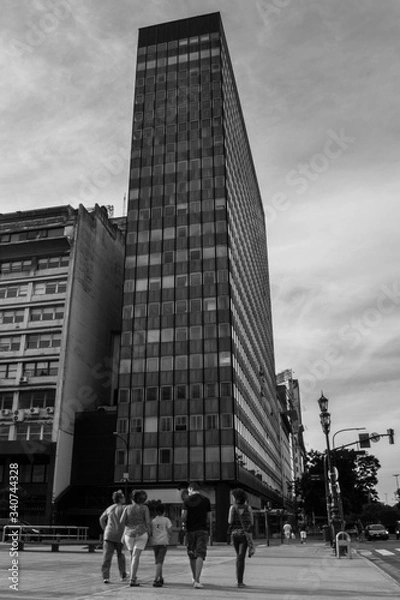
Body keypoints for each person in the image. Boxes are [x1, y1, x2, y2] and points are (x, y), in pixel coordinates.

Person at [181, 481, 211, 589]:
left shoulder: (186, 500)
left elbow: (184, 516)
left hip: (190, 531)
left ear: (190, 489)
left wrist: (184, 526)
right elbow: (208, 517)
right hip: (202, 529)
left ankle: (194, 578)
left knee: (191, 554)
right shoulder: (206, 500)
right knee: (200, 554)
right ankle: (198, 580)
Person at [120, 490, 151, 587]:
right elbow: (148, 521)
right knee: (136, 557)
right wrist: (149, 532)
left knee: (132, 556)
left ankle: (133, 576)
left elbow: (121, 521)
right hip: (141, 534)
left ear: (132, 498)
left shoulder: (127, 507)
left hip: (129, 535)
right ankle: (133, 579)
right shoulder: (144, 508)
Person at [227, 488, 254, 588]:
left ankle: (238, 580)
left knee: (239, 556)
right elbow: (252, 522)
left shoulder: (232, 508)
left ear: (236, 498)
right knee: (241, 557)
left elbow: (229, 521)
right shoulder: (248, 508)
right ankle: (240, 581)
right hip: (244, 535)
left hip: (234, 535)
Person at [99, 489, 127, 584]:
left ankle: (105, 577)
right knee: (121, 555)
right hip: (120, 535)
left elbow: (102, 519)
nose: (124, 498)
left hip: (109, 534)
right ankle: (122, 575)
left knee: (107, 556)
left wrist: (105, 529)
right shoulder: (124, 508)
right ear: (120, 499)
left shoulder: (110, 508)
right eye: (123, 497)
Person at [150, 503, 173, 587]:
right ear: (164, 512)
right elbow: (170, 530)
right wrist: (169, 536)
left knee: (158, 561)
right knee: (160, 561)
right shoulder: (166, 520)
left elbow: (151, 532)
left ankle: (160, 577)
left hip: (155, 543)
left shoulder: (153, 521)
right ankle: (156, 579)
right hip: (163, 542)